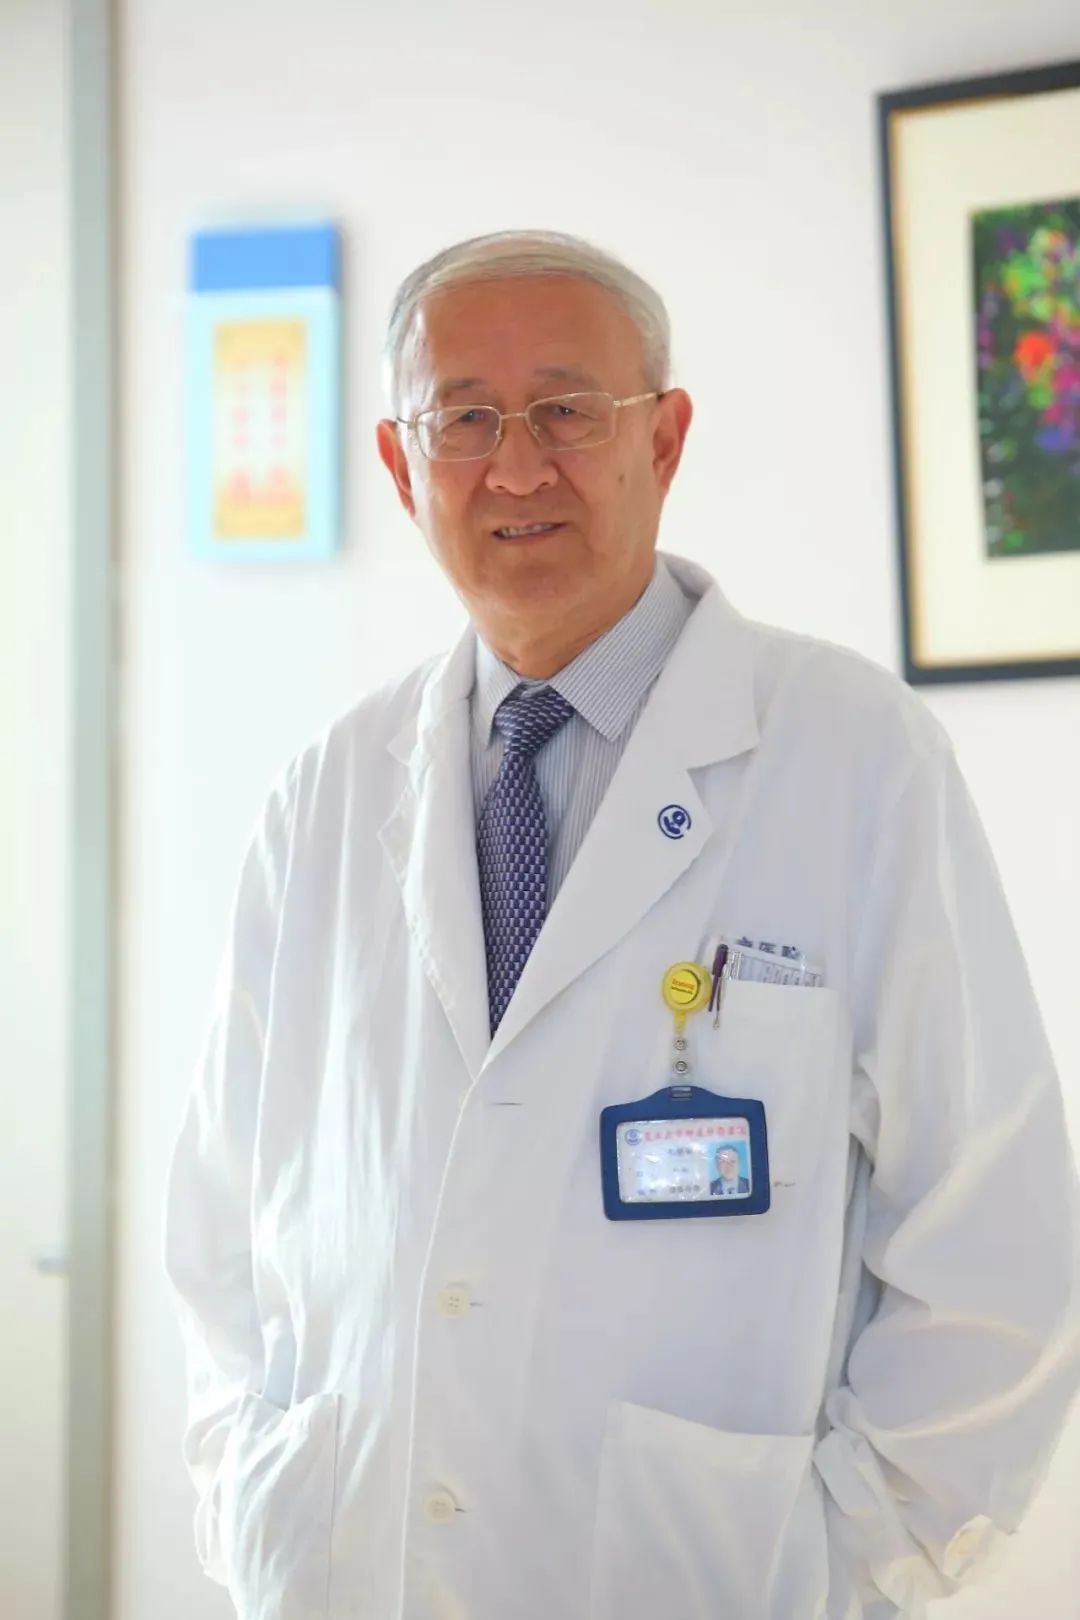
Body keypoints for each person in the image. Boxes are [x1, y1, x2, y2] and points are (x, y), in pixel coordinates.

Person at [163, 229, 1080, 1620]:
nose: (516, 467)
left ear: (664, 439)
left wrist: (849, 1560)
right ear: (403, 467)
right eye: (465, 419)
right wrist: (256, 1497)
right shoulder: (323, 800)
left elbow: (990, 1233)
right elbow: (221, 1230)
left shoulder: (852, 755)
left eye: (566, 410)